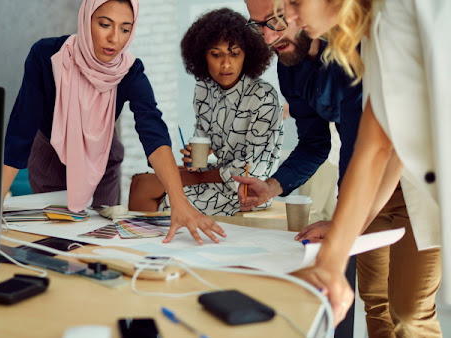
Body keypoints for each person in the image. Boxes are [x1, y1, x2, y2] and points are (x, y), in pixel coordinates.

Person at [279, 0, 448, 335]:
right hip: (401, 181)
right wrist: (336, 251)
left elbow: (377, 149)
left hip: (427, 185)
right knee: (379, 304)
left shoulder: (400, 13)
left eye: (295, 2)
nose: (287, 15)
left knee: (410, 312)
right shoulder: (368, 36)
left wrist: (332, 258)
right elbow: (376, 148)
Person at [2, 0, 226, 245]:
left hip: (103, 159)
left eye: (125, 29)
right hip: (51, 157)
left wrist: (179, 202)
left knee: (100, 240)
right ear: (86, 19)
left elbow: (154, 133)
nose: (114, 38)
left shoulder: (129, 71)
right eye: (105, 24)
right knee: (59, 242)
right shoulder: (46, 56)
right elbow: (20, 131)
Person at [240, 0, 362, 335]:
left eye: (276, 20)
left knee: (408, 311)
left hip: (399, 179)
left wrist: (341, 219)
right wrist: (273, 185)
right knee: (377, 302)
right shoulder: (289, 66)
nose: (267, 37)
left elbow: (364, 145)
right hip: (365, 184)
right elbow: (314, 142)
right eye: (258, 24)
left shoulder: (356, 48)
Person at [127, 7, 282, 216]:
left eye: (234, 54)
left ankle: (154, 243)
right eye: (216, 54)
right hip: (214, 175)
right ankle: (143, 242)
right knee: (141, 183)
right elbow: (204, 141)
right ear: (203, 56)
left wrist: (198, 177)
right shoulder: (204, 88)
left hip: (247, 190)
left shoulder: (263, 96)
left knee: (162, 198)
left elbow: (254, 170)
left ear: (247, 54)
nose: (226, 63)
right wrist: (194, 158)